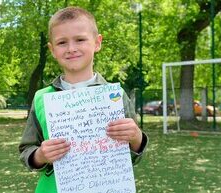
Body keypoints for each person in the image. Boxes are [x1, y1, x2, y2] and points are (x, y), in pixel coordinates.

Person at [19, 6, 148, 193]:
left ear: (97, 43)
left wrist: (136, 137)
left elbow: (133, 155)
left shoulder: (116, 95)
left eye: (80, 39)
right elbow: (26, 150)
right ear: (52, 49)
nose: (71, 48)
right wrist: (40, 155)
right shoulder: (42, 98)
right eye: (62, 42)